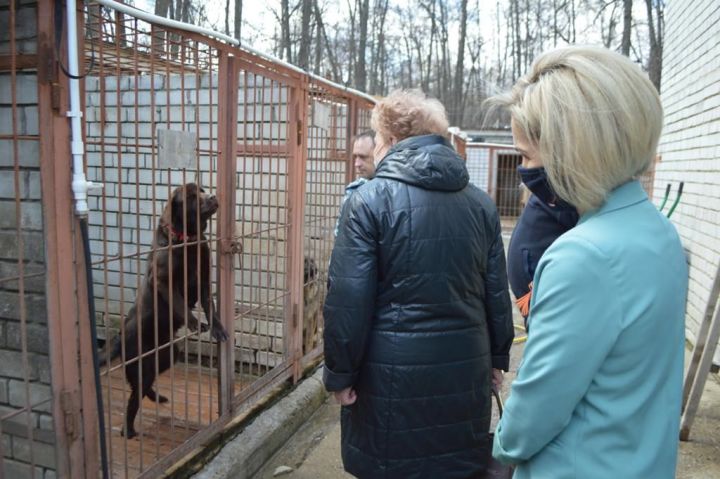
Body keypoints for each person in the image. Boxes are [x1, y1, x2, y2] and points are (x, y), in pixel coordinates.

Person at [488, 46, 688, 478]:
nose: (524, 169)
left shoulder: (581, 256)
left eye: (524, 155)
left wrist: (502, 444)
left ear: (571, 153)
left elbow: (537, 408)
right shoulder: (659, 232)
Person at [323, 89, 514, 478]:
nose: (375, 149)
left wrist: (340, 374)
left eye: (376, 140)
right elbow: (495, 291)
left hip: (391, 375)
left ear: (392, 140)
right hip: (466, 366)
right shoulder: (481, 204)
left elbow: (348, 299)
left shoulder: (368, 202)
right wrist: (497, 358)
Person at [506, 160, 579, 323]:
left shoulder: (559, 199)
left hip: (537, 299)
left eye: (526, 156)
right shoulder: (544, 197)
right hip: (530, 297)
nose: (523, 167)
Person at [334, 131, 376, 237]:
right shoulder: (353, 190)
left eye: (363, 157)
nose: (356, 164)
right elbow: (340, 236)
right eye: (355, 157)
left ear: (379, 153)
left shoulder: (395, 188)